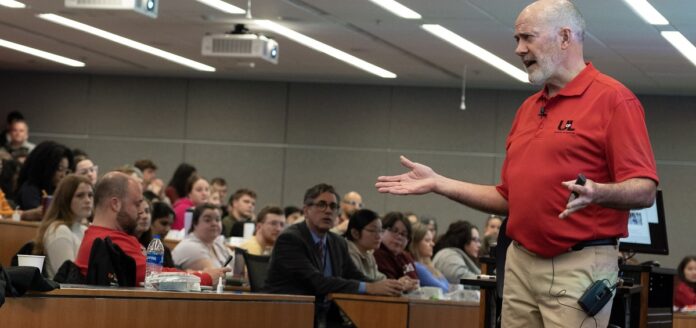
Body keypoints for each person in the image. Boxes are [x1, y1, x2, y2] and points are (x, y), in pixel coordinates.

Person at [376, 1, 658, 326]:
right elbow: (508, 198)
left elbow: (644, 189)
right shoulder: (528, 109)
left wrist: (598, 193)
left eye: (527, 38)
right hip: (520, 261)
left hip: (579, 263)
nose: (518, 49)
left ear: (565, 37)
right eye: (516, 40)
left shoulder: (613, 100)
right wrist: (439, 183)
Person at [265, 183, 404, 328]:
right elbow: (317, 282)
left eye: (333, 206)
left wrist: (384, 287)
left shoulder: (337, 242)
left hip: (328, 317)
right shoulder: (290, 239)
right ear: (306, 210)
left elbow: (353, 275)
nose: (328, 211)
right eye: (321, 205)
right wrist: (370, 287)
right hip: (290, 315)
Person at [74, 172, 226, 286]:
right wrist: (206, 278)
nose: (141, 211)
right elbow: (155, 278)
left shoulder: (101, 236)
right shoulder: (110, 242)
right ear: (115, 204)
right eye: (136, 203)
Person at [32, 175, 92, 278]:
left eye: (90, 195)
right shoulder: (59, 230)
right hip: (64, 292)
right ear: (66, 199)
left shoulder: (84, 229)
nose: (87, 200)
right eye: (80, 195)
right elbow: (68, 279)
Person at [15, 141, 74, 221]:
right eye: (59, 169)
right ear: (46, 167)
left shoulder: (58, 190)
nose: (63, 175)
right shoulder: (30, 189)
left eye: (66, 171)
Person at [172, 203, 232, 271]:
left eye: (217, 220)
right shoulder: (190, 247)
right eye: (207, 220)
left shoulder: (218, 243)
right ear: (195, 223)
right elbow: (213, 276)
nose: (214, 223)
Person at [373, 212, 419, 291]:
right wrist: (400, 285)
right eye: (394, 231)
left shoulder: (406, 257)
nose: (399, 237)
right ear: (382, 231)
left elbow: (415, 282)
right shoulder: (375, 254)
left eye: (404, 234)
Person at [344, 209, 387, 282]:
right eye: (372, 231)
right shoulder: (348, 253)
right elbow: (358, 282)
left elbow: (378, 278)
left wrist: (398, 284)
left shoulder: (368, 254)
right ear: (355, 233)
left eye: (380, 231)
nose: (379, 236)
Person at [409, 223, 449, 293]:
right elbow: (443, 289)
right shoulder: (416, 266)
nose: (432, 244)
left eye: (432, 240)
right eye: (427, 240)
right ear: (415, 243)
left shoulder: (428, 266)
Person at [138, 201, 176, 268]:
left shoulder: (165, 251)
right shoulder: (138, 246)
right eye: (163, 223)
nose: (167, 229)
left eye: (170, 225)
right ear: (151, 221)